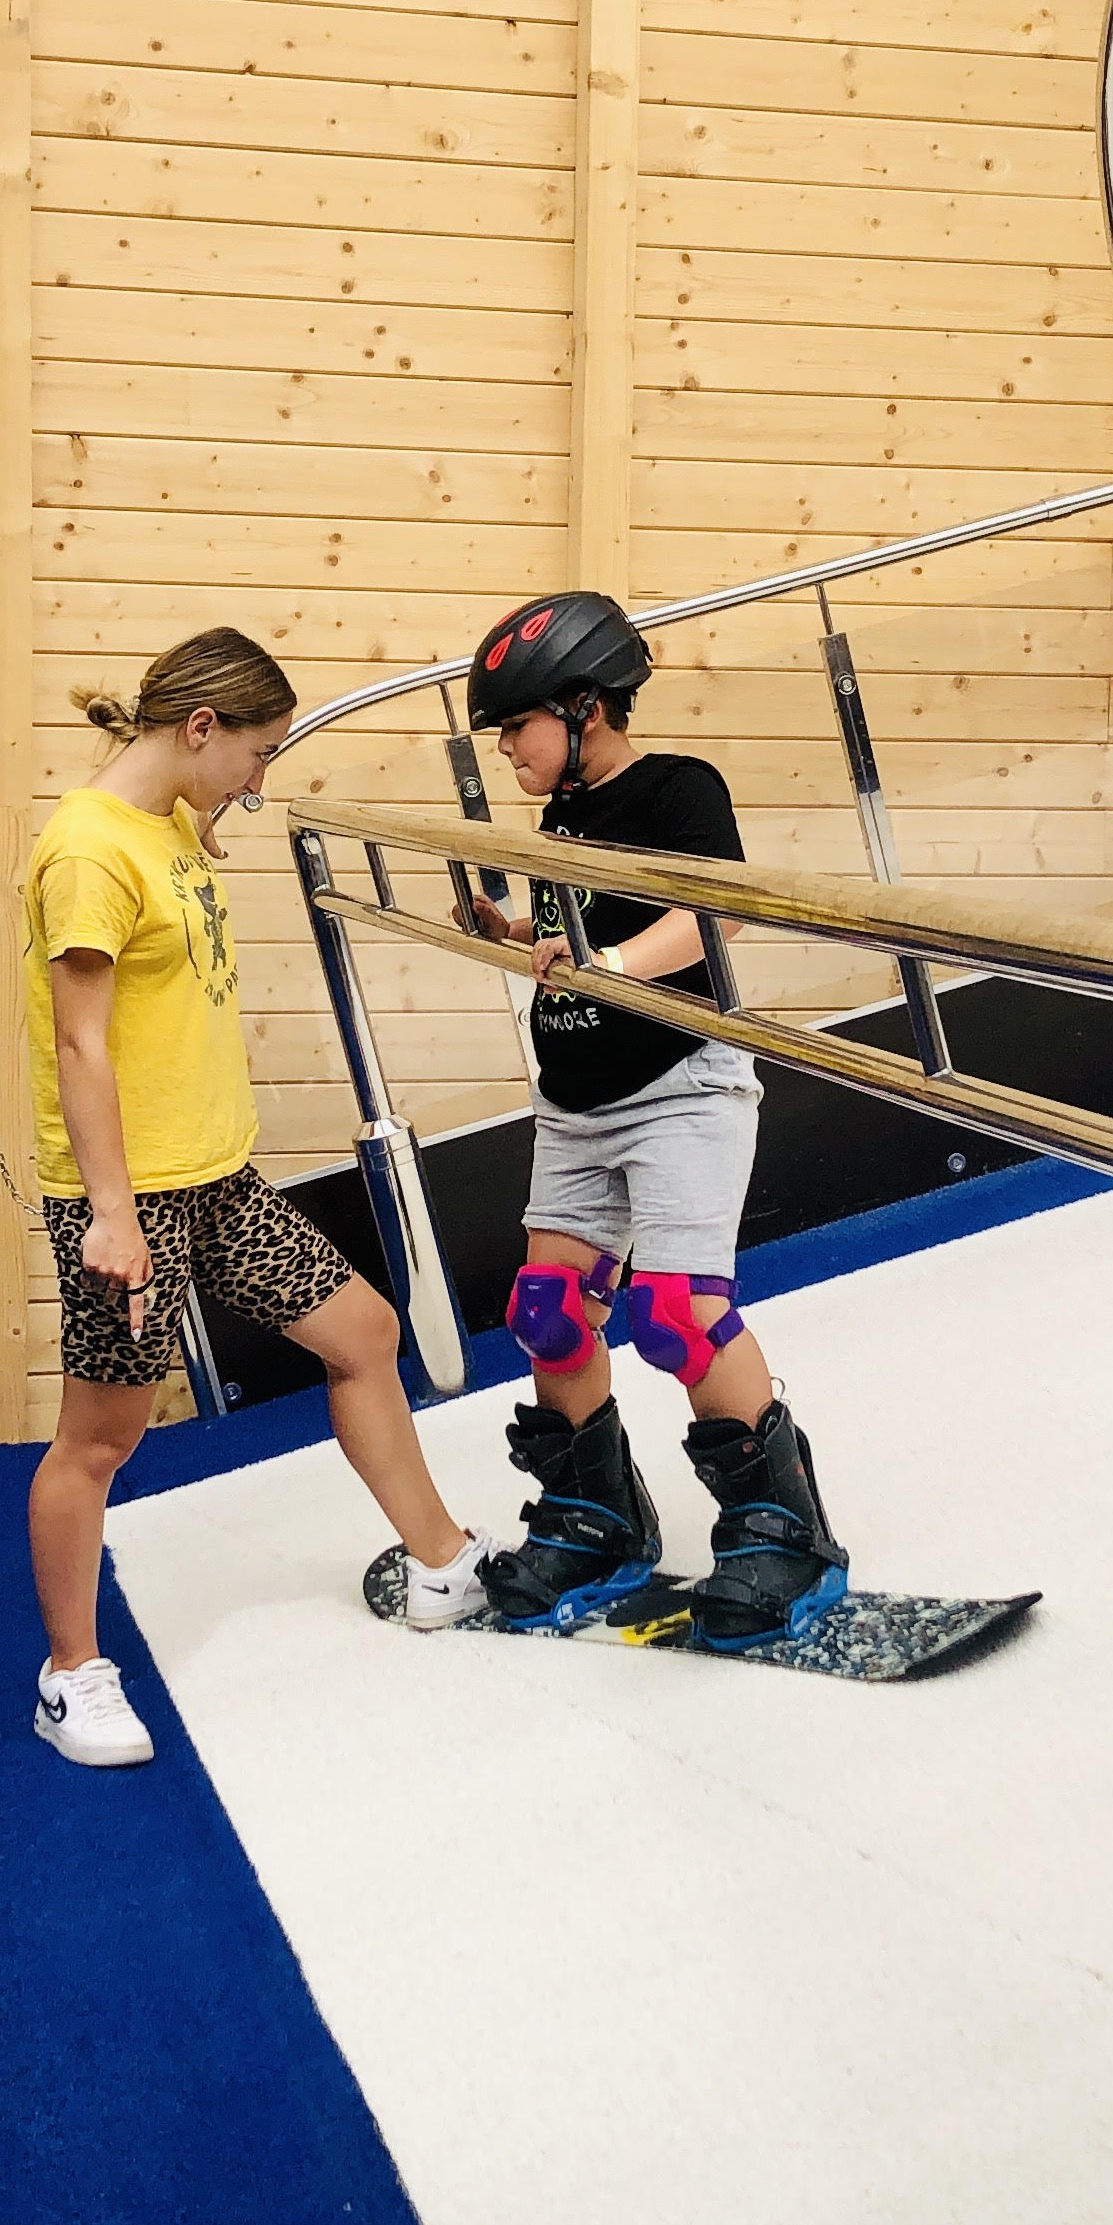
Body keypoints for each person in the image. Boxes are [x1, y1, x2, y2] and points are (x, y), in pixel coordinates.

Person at [20, 629, 503, 1762]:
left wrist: (209, 809)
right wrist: (111, 1215)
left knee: (364, 1333)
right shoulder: (88, 852)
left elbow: (185, 865)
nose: (260, 777)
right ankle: (70, 1676)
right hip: (133, 1197)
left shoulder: (166, 823)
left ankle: (441, 1561)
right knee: (99, 1441)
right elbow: (80, 1044)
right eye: (258, 751)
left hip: (218, 1180)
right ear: (201, 728)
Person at [456, 589, 853, 1651]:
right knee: (547, 1310)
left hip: (681, 1083)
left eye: (518, 726)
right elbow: (576, 931)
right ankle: (596, 1518)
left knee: (677, 1312)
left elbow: (716, 906)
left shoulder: (679, 787)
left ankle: (782, 1533)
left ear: (584, 709)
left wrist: (614, 964)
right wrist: (512, 930)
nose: (508, 749)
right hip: (575, 1098)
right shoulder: (561, 819)